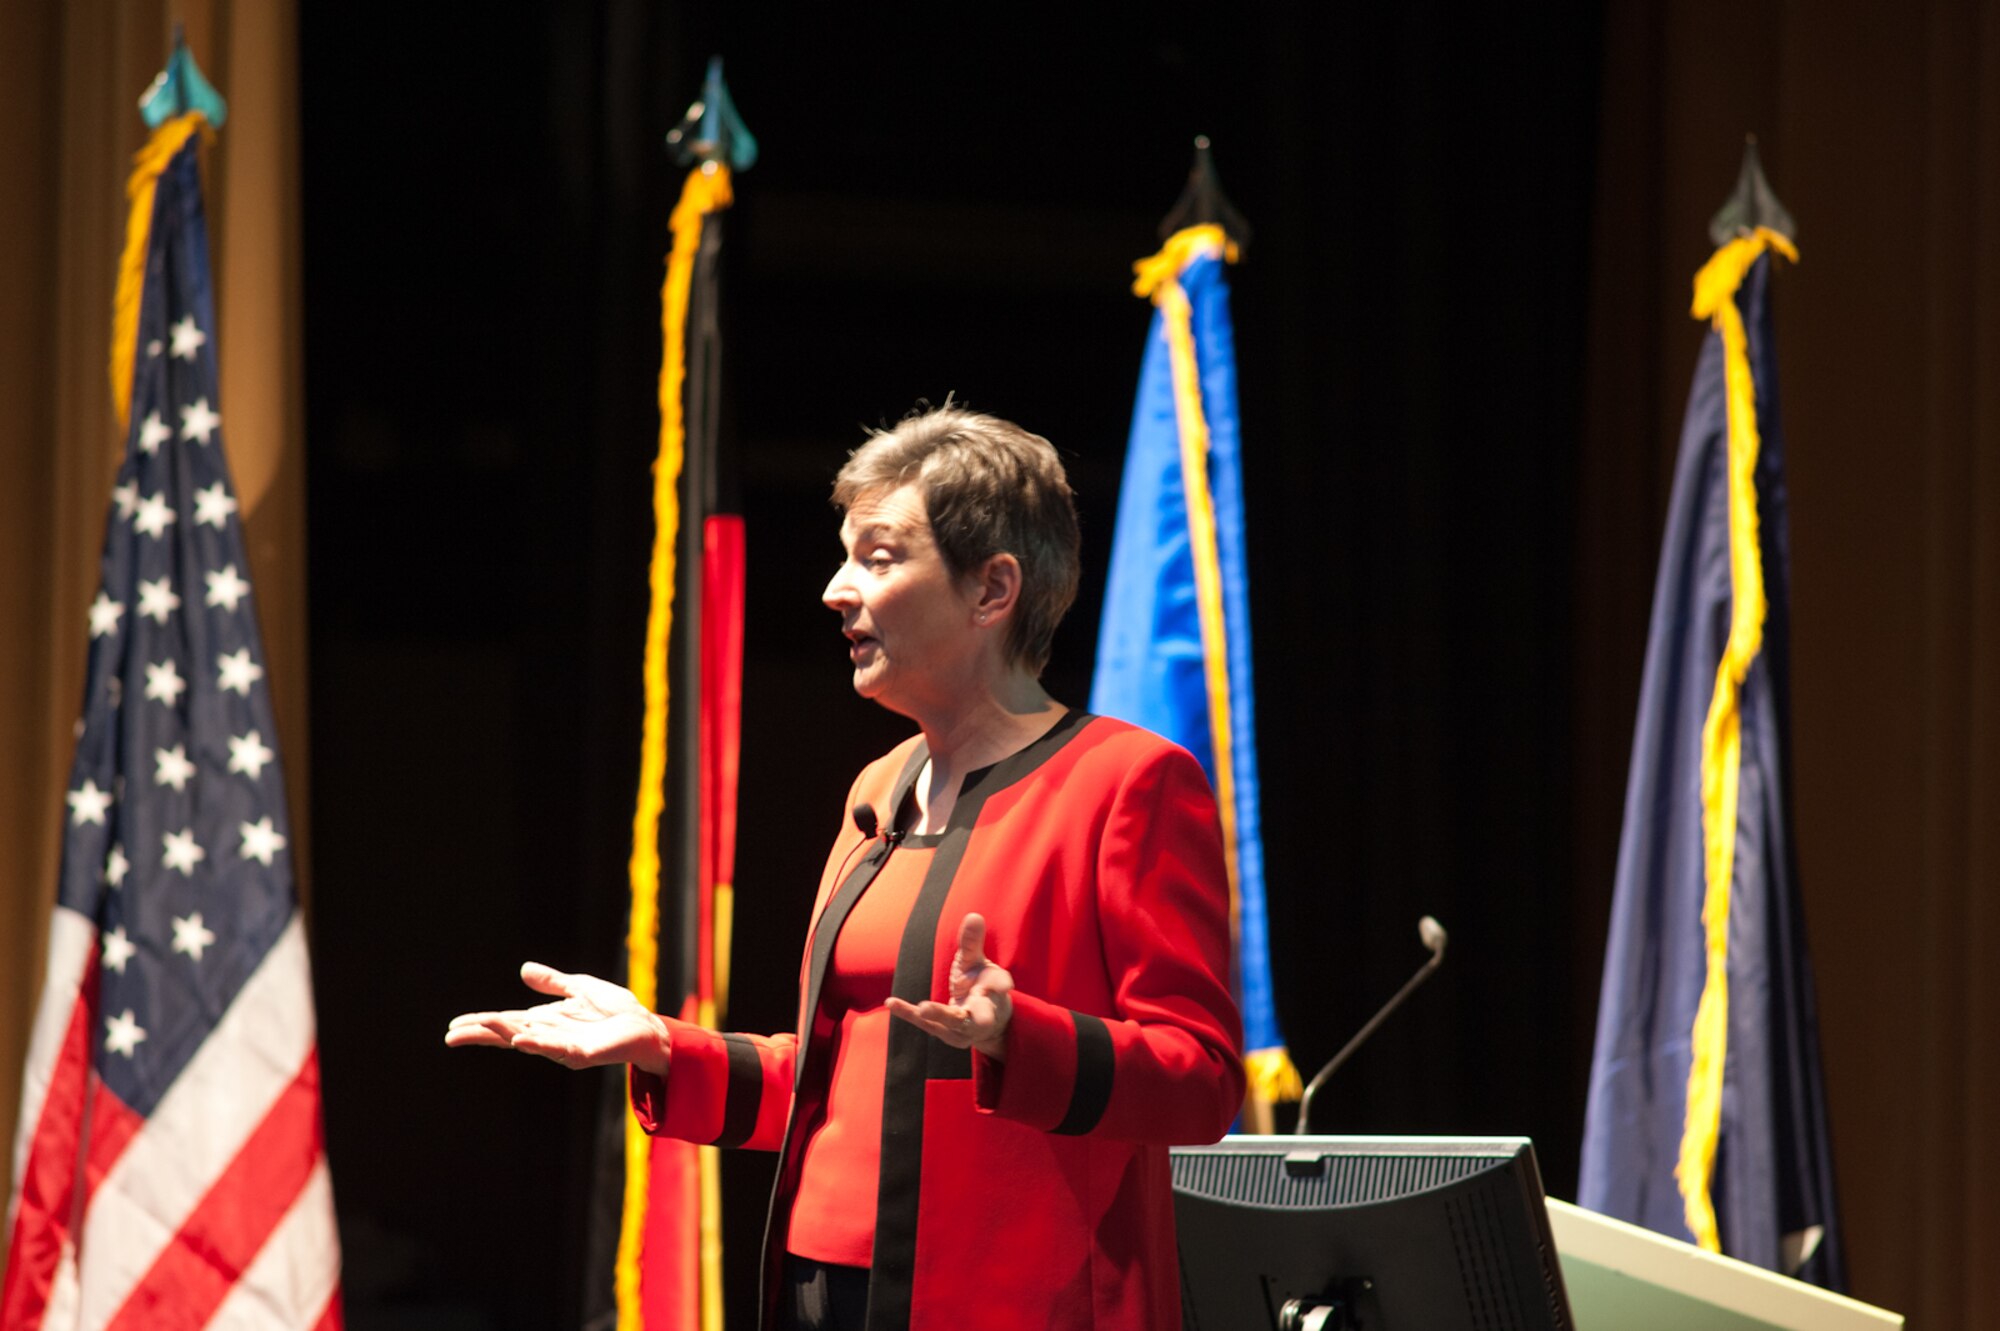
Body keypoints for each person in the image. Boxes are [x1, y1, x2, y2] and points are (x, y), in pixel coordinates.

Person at [447, 405, 1245, 1330]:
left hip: (1015, 1301)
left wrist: (1015, 1036)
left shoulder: (1126, 783)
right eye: (844, 554)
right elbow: (844, 1076)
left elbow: (1205, 1080)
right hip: (822, 1285)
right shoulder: (879, 787)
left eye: (878, 556)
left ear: (993, 590)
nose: (834, 589)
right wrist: (664, 1045)